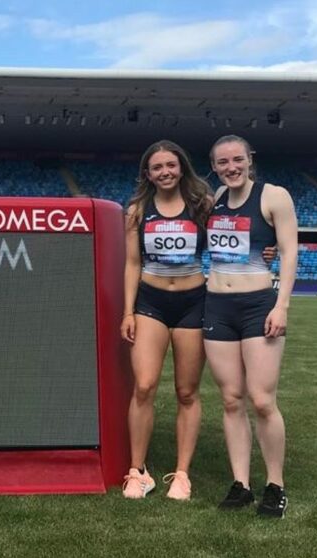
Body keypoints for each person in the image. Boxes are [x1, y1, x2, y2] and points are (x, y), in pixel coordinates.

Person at [204, 135, 297, 518]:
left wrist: (282, 305)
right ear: (214, 167)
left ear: (249, 159)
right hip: (217, 304)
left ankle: (275, 485)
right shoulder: (212, 201)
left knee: (261, 399)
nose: (231, 167)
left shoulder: (273, 196)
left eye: (237, 160)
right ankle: (240, 484)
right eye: (223, 162)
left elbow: (289, 250)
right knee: (230, 399)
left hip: (259, 304)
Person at [120, 140, 211, 501]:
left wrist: (264, 248)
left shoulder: (202, 205)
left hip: (193, 302)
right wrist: (128, 310)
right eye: (157, 167)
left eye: (171, 165)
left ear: (182, 167)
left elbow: (231, 238)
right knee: (144, 385)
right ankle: (137, 471)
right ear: (148, 174)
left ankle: (182, 475)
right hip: (151, 301)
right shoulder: (137, 210)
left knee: (187, 392)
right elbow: (131, 263)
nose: (165, 172)